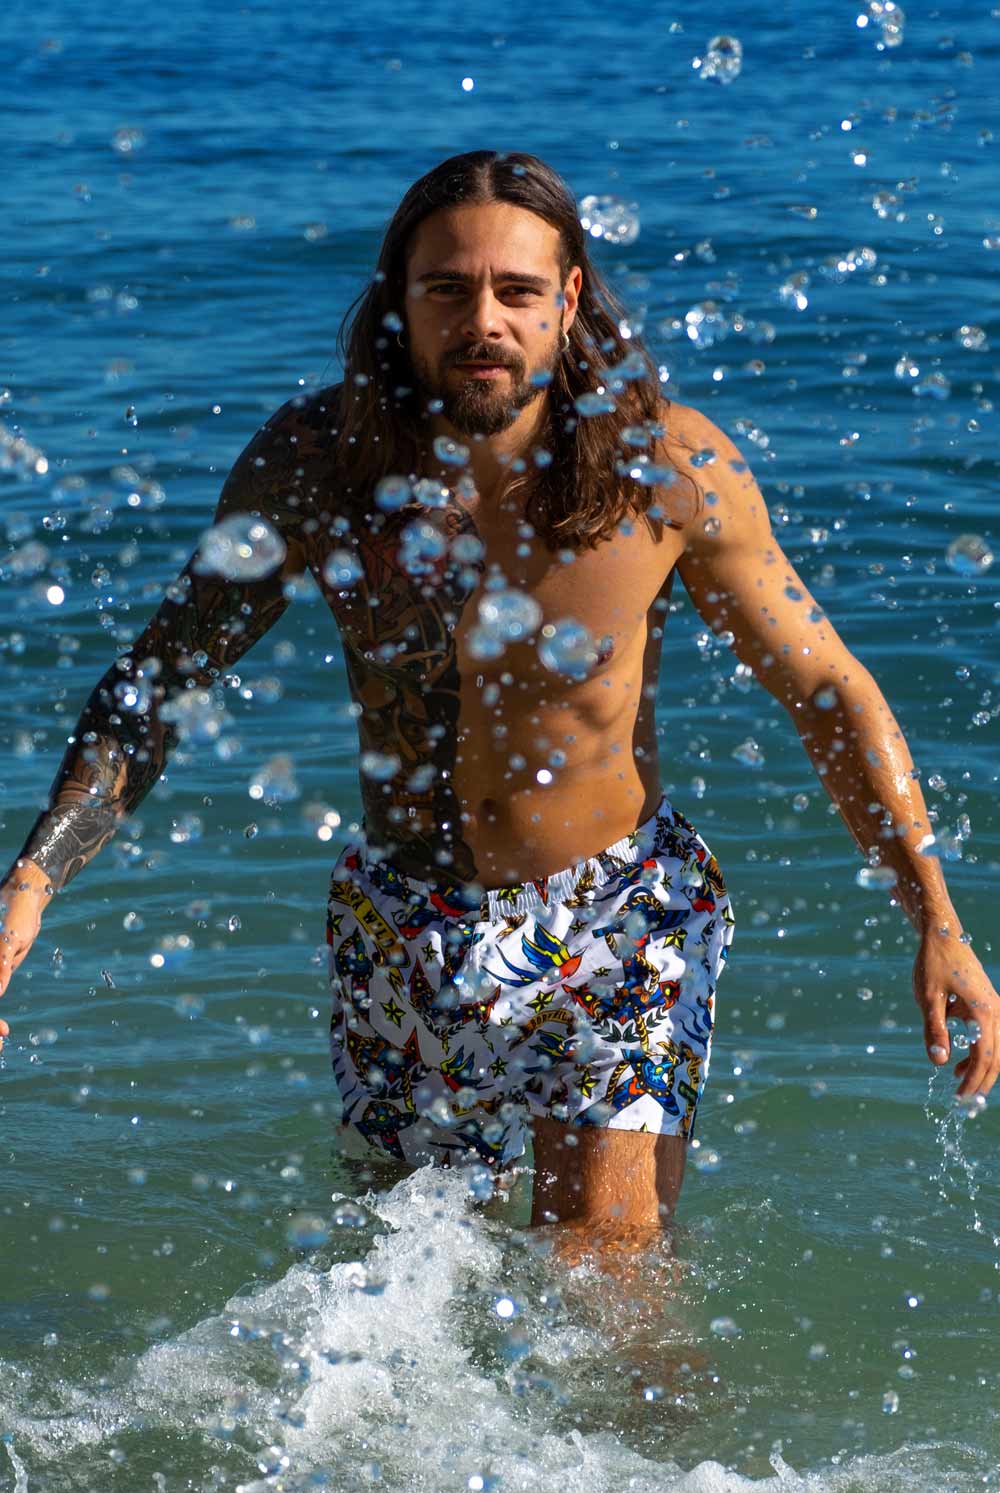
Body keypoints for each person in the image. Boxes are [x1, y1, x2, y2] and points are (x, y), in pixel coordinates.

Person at [2, 150, 996, 1252]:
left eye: (517, 291)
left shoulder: (667, 471)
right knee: (407, 1276)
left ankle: (652, 1374)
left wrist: (935, 919)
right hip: (398, 921)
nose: (484, 321)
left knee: (604, 1262)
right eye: (448, 289)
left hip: (618, 913)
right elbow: (161, 679)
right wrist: (32, 882)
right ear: (397, 301)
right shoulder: (316, 466)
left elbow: (826, 687)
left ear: (567, 299)